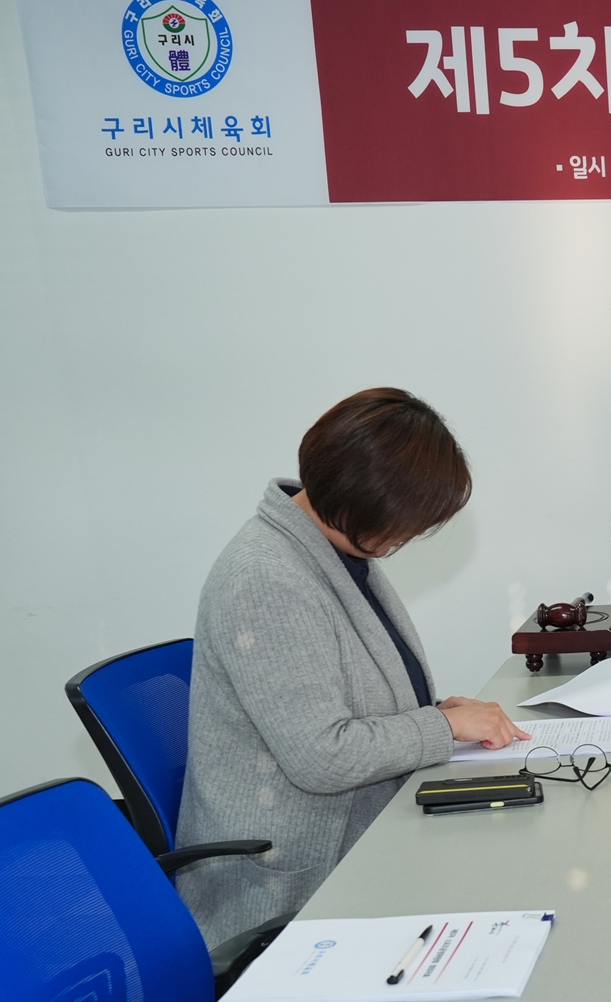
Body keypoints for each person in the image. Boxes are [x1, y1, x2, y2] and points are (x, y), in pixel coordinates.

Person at [176, 388, 527, 948]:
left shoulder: (332, 546)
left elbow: (345, 691)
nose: (409, 537)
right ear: (361, 497)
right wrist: (442, 727)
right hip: (296, 877)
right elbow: (323, 756)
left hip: (366, 826)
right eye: (407, 522)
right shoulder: (266, 578)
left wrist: (438, 714)